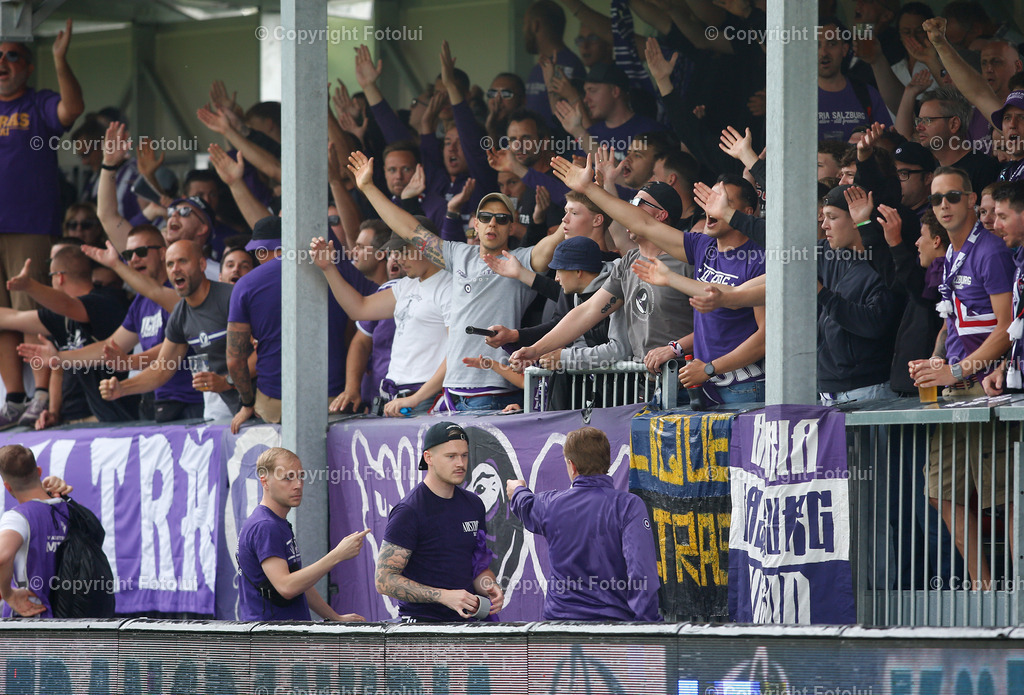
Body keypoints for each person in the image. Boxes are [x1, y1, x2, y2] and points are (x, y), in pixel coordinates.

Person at [347, 150, 561, 411]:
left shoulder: (522, 260)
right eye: (486, 217)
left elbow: (562, 233)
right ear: (476, 225)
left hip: (493, 394)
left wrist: (585, 192)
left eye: (502, 219)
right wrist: (368, 188)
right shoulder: (459, 254)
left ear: (511, 226)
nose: (493, 223)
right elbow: (408, 230)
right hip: (450, 394)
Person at [909, 167, 1014, 586]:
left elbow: (1007, 328)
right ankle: (982, 584)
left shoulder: (990, 251)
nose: (944, 205)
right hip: (954, 390)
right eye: (937, 200)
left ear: (972, 200)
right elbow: (952, 322)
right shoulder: (951, 254)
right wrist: (934, 362)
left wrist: (956, 369)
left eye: (953, 196)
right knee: (940, 491)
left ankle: (1018, 588)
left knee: (1003, 496)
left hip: (989, 387)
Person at [18, 226, 203, 423]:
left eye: (141, 252)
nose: (134, 259)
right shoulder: (139, 302)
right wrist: (59, 358)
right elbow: (110, 345)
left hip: (194, 400)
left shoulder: (179, 292)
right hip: (159, 401)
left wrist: (116, 265)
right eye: (128, 254)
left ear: (162, 253)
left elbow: (170, 348)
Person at [0, 22, 85, 428]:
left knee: (28, 310)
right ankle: (14, 397)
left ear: (28, 66)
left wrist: (60, 59)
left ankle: (39, 393)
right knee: (0, 316)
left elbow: (73, 110)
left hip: (28, 224)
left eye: (11, 55)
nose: (2, 62)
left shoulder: (37, 104)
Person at [506, 426, 659, 620]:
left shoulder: (551, 504)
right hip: (613, 629)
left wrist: (517, 489)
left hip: (560, 629)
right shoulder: (628, 506)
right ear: (607, 462)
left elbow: (526, 504)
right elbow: (641, 571)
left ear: (572, 466)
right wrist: (648, 626)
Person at [310, 228, 451, 418]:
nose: (399, 259)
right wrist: (328, 268)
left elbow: (456, 352)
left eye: (404, 252)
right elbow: (359, 309)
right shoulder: (405, 285)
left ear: (426, 248)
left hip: (424, 400)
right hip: (392, 398)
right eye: (396, 253)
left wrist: (416, 398)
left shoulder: (449, 286)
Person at [375, 421, 504, 622]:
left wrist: (489, 585)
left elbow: (477, 567)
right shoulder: (409, 511)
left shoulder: (473, 504)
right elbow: (384, 580)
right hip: (423, 624)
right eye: (451, 456)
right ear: (429, 458)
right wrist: (444, 596)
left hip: (467, 622)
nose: (460, 463)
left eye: (464, 455)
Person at [98, 240, 239, 420]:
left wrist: (227, 382)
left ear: (202, 264)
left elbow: (264, 352)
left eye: (183, 261)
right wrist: (122, 388)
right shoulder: (180, 315)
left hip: (265, 402)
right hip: (230, 411)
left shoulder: (232, 297)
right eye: (170, 264)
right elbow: (162, 369)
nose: (175, 269)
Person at [0, 246, 136, 426]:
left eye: (51, 278)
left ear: (59, 277)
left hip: (128, 418)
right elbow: (13, 318)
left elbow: (69, 305)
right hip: (94, 420)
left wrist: (30, 286)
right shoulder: (62, 317)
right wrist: (54, 413)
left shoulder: (105, 301)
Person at [236, 447, 368, 621]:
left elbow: (300, 584)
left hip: (281, 636)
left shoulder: (274, 522)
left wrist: (335, 618)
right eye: (288, 478)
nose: (298, 485)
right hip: (272, 641)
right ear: (265, 482)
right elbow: (286, 586)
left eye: (300, 476)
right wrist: (337, 555)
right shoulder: (265, 526)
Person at [0, 444, 75, 618]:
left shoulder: (18, 518)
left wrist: (8, 594)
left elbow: (2, 557)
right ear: (39, 472)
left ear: (7, 486)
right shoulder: (70, 509)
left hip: (31, 617)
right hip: (72, 616)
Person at [818, 18, 893, 142]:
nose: (823, 52)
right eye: (817, 45)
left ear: (845, 49)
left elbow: (887, 143)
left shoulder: (867, 94)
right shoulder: (799, 97)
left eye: (831, 44)